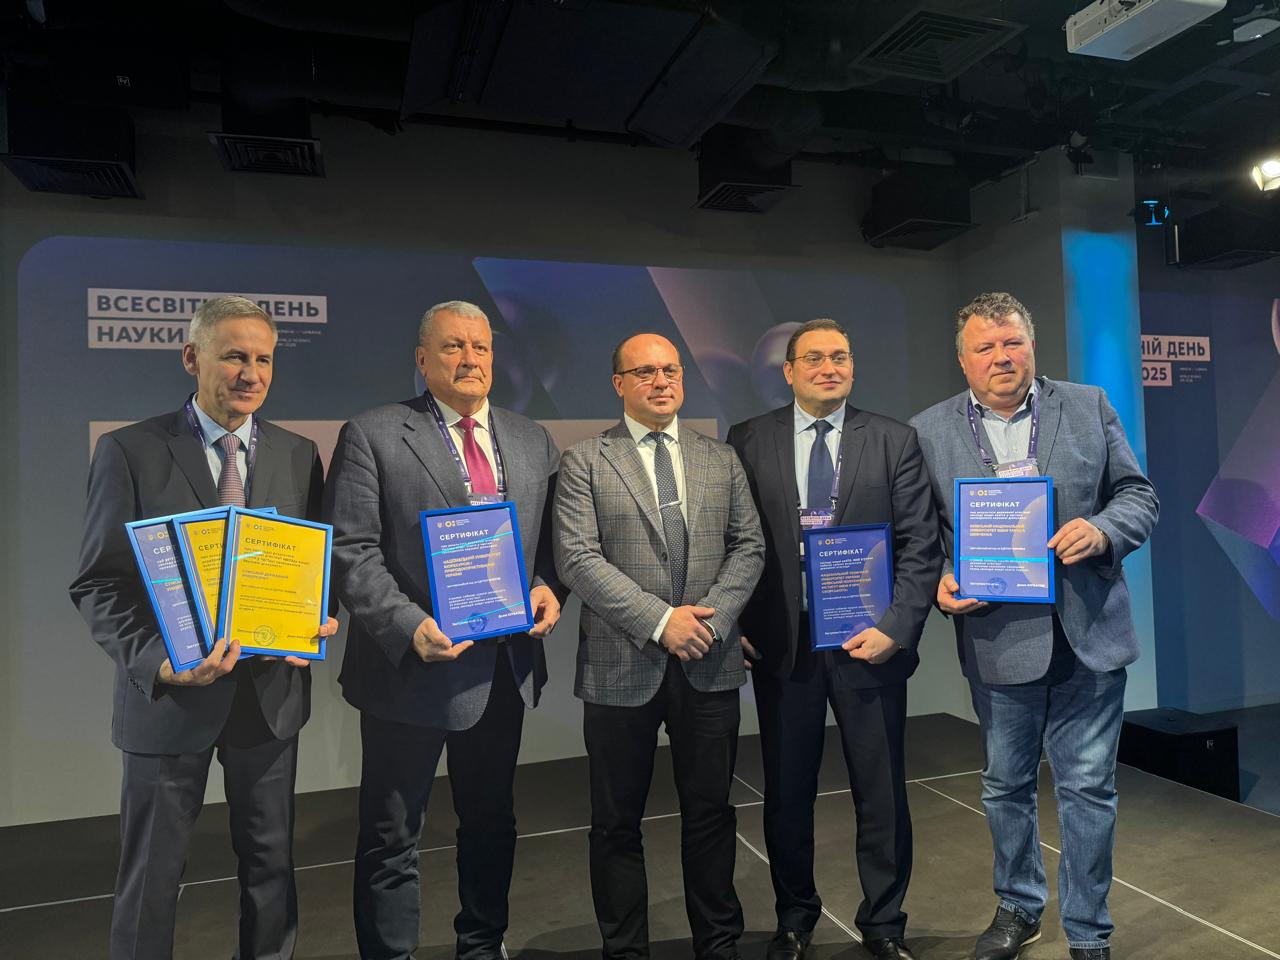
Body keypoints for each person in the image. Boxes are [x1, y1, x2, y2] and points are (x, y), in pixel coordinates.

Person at [70, 295, 335, 960]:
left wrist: (317, 616)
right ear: (192, 358)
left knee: (271, 870)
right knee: (152, 879)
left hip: (268, 700)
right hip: (171, 699)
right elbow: (98, 584)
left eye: (264, 359)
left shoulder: (300, 454)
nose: (251, 373)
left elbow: (314, 567)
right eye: (234, 356)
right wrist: (160, 662)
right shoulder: (129, 451)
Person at [909, 292, 1158, 960]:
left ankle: (1088, 931)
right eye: (985, 347)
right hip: (999, 641)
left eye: (1012, 342)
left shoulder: (1089, 405)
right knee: (1005, 787)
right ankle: (1019, 907)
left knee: (1088, 790)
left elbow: (1139, 496)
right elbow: (921, 535)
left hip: (1089, 636)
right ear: (963, 360)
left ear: (1032, 346)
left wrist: (1102, 530)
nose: (1001, 357)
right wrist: (940, 580)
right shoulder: (927, 430)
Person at [325, 300, 563, 960]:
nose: (469, 360)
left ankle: (481, 945)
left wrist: (548, 585)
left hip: (501, 670)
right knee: (391, 835)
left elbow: (551, 545)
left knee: (490, 824)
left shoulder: (532, 439)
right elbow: (351, 550)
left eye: (480, 348)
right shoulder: (373, 433)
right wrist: (409, 626)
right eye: (453, 347)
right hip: (410, 669)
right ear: (422, 359)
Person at [725, 319, 939, 960]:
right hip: (783, 645)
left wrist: (895, 629)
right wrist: (735, 620)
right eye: (814, 358)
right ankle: (794, 918)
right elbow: (731, 540)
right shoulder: (748, 439)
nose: (829, 367)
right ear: (789, 372)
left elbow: (920, 545)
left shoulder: (894, 439)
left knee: (882, 793)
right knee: (787, 793)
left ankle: (884, 923)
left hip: (868, 644)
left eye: (840, 356)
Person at [553, 333, 764, 960]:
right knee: (616, 822)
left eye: (671, 369)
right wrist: (660, 621)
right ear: (618, 383)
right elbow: (577, 558)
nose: (662, 381)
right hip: (622, 664)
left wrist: (709, 624)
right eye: (645, 371)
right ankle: (625, 950)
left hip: (709, 661)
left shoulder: (720, 458)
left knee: (712, 813)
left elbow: (748, 546)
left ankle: (718, 943)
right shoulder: (585, 461)